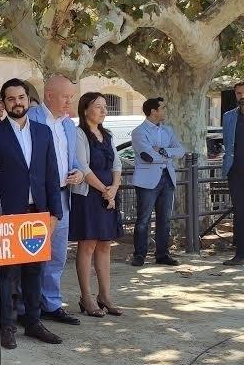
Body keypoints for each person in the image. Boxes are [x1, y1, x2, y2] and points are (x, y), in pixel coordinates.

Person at [0, 78, 64, 349]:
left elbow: (51, 175)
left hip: (37, 212)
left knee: (35, 270)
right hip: (8, 213)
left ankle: (33, 322)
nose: (17, 103)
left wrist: (55, 213)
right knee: (7, 274)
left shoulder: (43, 132)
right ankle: (6, 326)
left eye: (21, 97)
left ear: (28, 99)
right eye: (10, 99)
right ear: (3, 103)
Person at [28, 75, 83, 326]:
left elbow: (73, 161)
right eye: (65, 97)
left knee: (57, 255)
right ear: (49, 95)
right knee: (30, 255)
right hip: (36, 200)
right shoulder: (31, 119)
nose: (69, 102)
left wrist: (79, 173)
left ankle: (51, 303)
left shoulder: (68, 126)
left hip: (62, 196)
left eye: (71, 97)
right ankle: (27, 307)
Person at [70, 92, 123, 316]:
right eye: (98, 106)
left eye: (105, 106)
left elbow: (117, 165)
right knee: (88, 245)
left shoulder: (107, 135)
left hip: (107, 195)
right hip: (89, 196)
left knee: (104, 245)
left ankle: (105, 295)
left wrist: (113, 190)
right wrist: (104, 191)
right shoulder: (79, 134)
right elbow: (83, 167)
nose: (104, 110)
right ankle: (86, 298)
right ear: (85, 110)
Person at [131, 96, 185, 267]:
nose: (164, 111)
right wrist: (167, 156)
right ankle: (139, 255)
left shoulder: (168, 130)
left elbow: (181, 150)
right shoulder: (139, 132)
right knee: (143, 219)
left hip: (167, 179)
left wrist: (162, 150)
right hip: (147, 181)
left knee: (165, 219)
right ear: (153, 111)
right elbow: (147, 156)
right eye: (162, 108)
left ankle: (162, 254)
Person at [221, 80, 244, 266]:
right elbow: (228, 143)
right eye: (239, 93)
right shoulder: (228, 116)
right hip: (236, 171)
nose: (243, 96)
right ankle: (241, 255)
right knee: (240, 213)